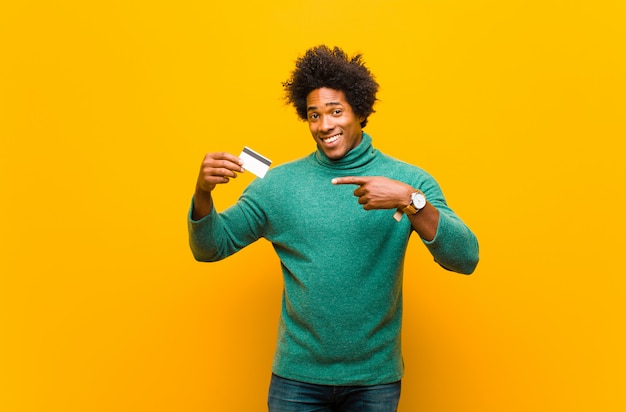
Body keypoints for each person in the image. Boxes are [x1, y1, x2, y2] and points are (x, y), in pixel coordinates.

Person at [188, 45, 479, 412]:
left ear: (360, 111)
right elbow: (210, 247)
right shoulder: (278, 186)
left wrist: (412, 201)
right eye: (314, 115)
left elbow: (466, 257)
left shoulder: (409, 180)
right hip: (297, 381)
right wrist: (202, 192)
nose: (325, 125)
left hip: (374, 381)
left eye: (336, 111)